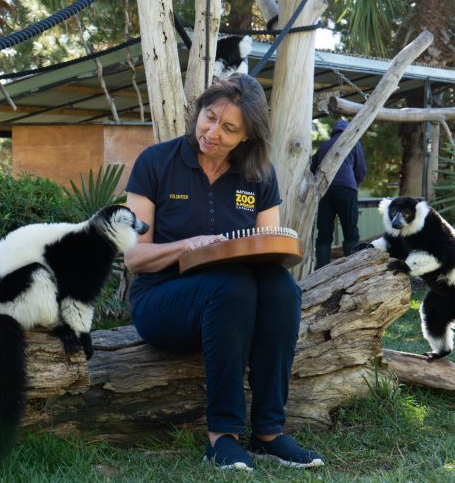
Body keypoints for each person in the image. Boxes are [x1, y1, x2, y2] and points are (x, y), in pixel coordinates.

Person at [123, 74, 324, 471]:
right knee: (230, 287)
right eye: (209, 117)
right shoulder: (156, 162)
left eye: (229, 128)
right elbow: (134, 257)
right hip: (162, 301)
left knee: (282, 289)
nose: (212, 132)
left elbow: (269, 248)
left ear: (248, 137)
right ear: (199, 112)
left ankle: (269, 432)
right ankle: (222, 437)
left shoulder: (259, 175)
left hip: (236, 303)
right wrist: (188, 244)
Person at [310, 117, 367, 269]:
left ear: (333, 131)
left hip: (324, 190)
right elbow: (361, 170)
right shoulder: (353, 142)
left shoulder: (324, 146)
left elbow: (312, 168)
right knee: (350, 230)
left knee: (324, 232)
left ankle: (320, 270)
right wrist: (354, 183)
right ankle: (353, 269)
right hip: (346, 189)